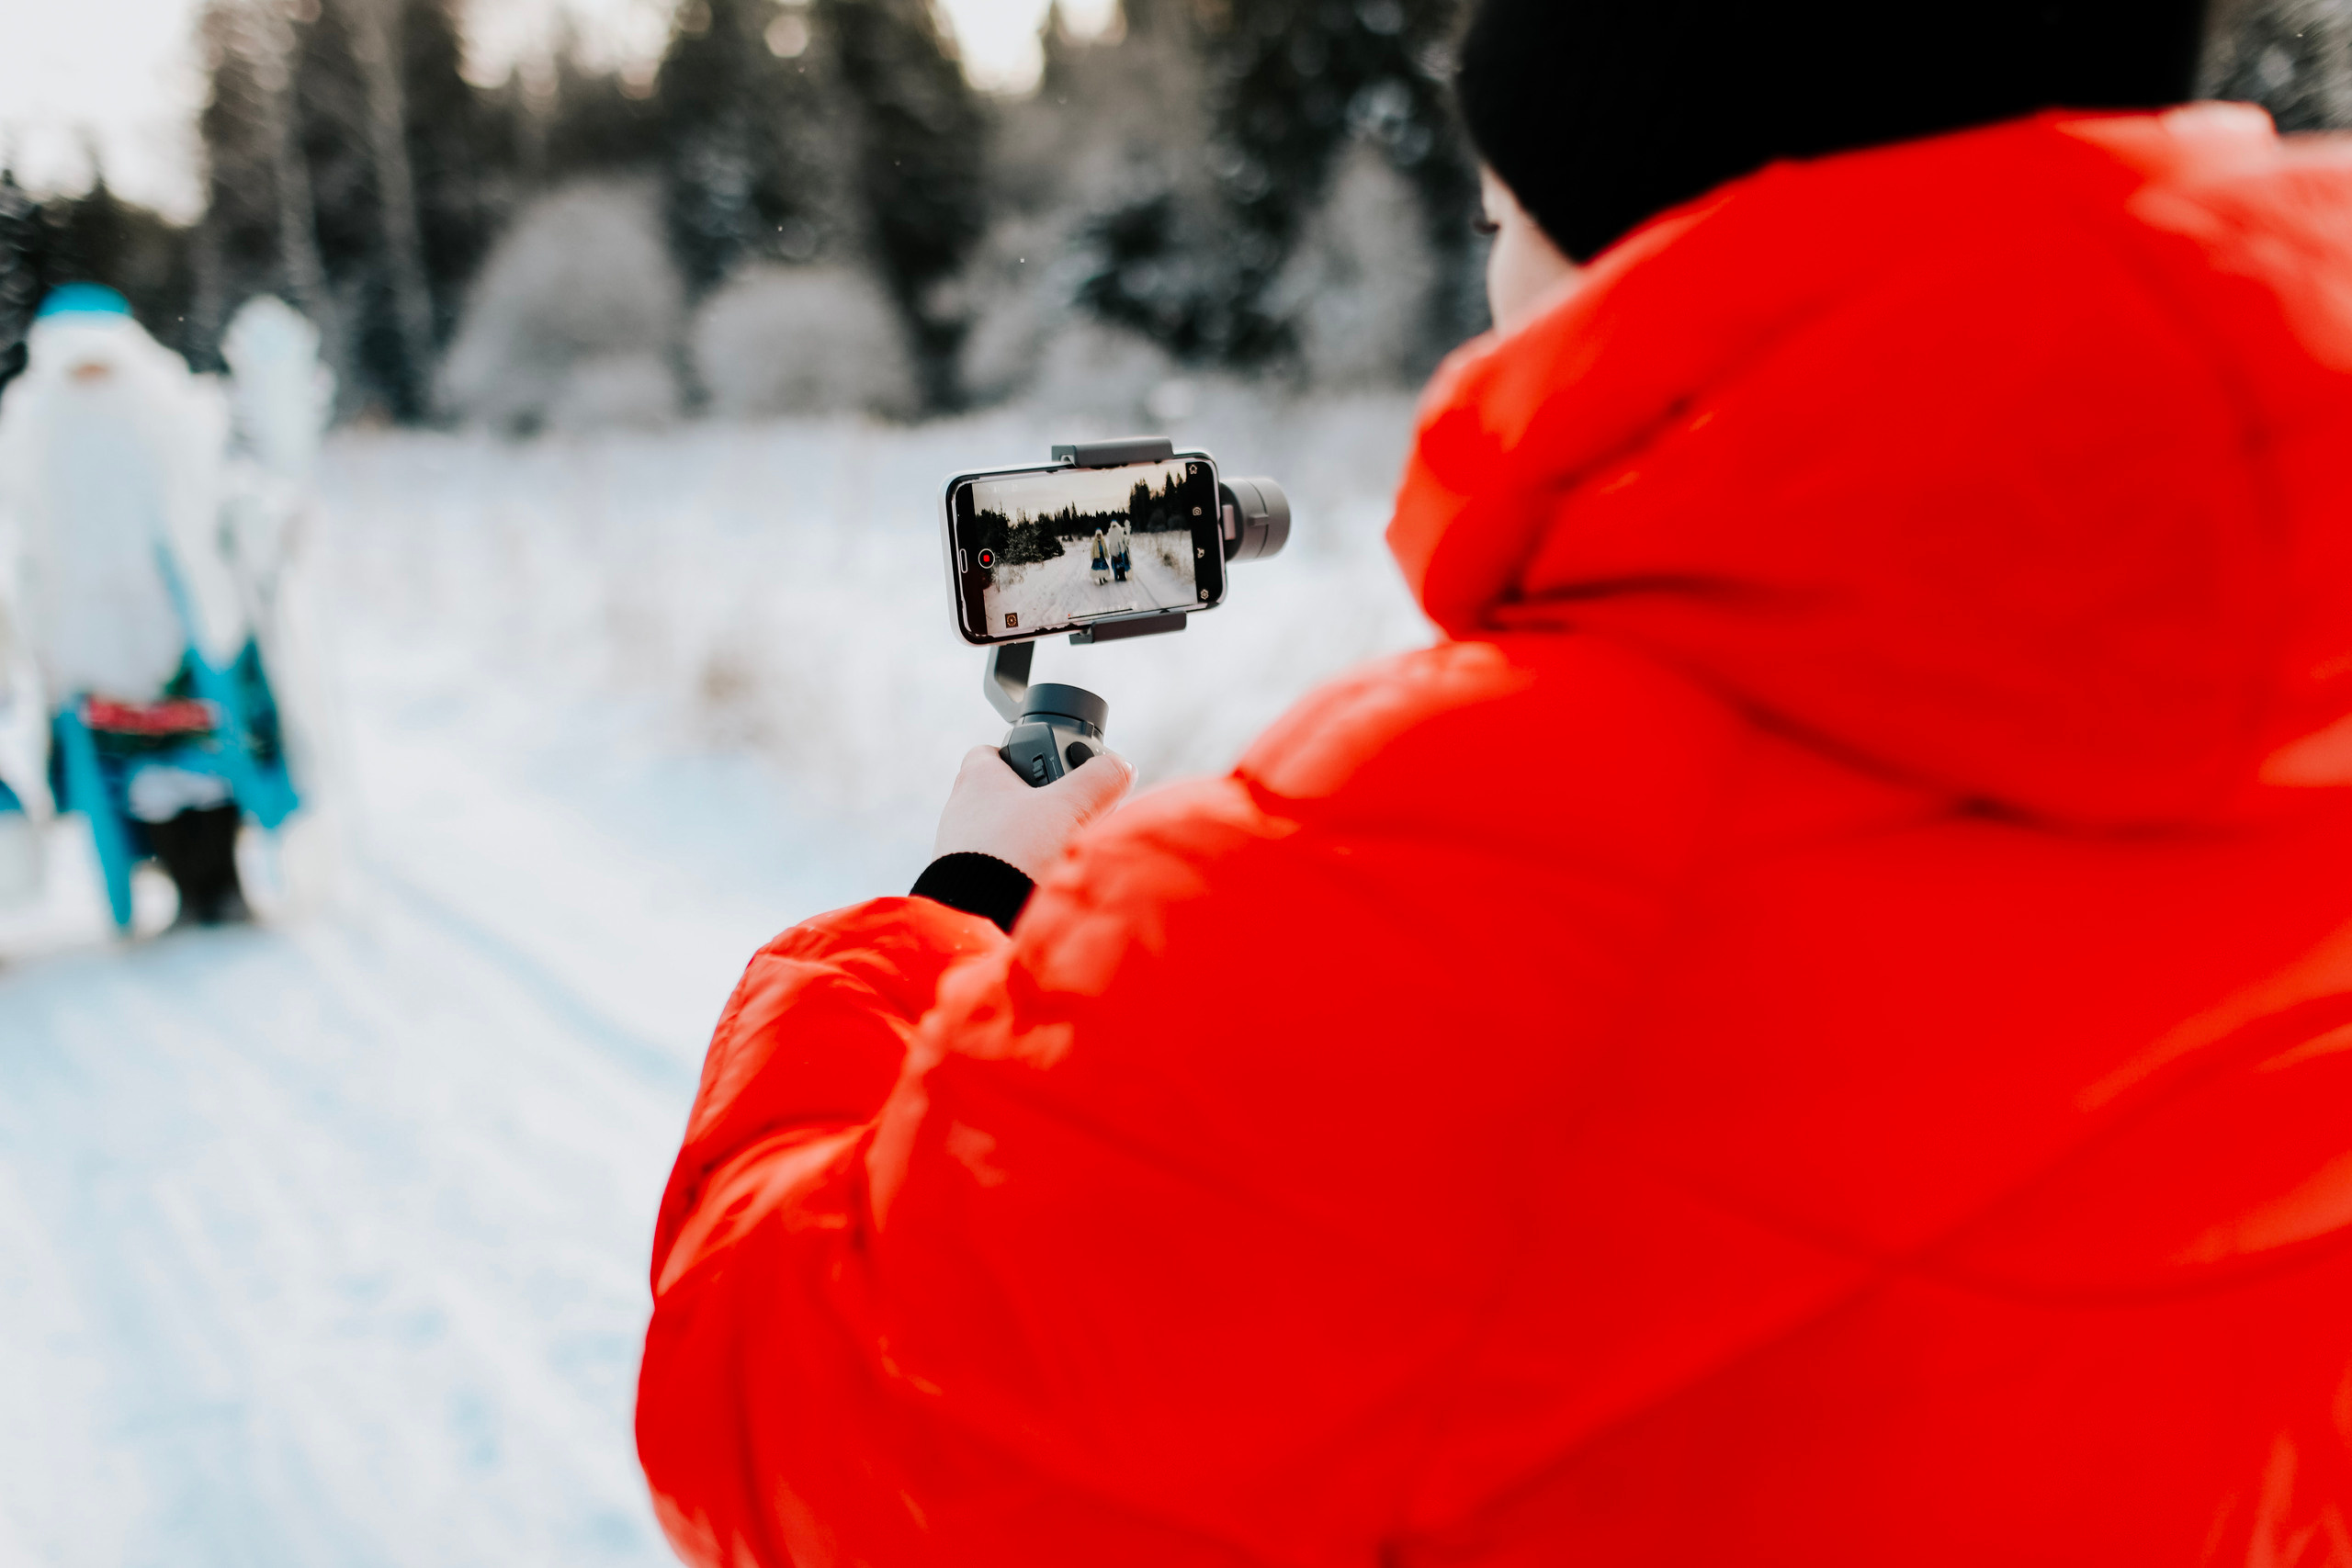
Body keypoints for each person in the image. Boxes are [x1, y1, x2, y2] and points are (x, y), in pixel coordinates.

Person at [637, 0, 2352, 1561]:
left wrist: (958, 905)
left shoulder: (1434, 881)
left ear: (1624, 232)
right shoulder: (2297, 751)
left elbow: (800, 1431)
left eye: (1491, 222)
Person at [0, 287, 312, 929]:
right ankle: (179, 881)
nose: (92, 380)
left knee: (216, 753)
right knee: (129, 774)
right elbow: (21, 540)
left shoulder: (173, 415)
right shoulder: (29, 432)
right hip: (87, 645)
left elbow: (224, 497)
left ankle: (222, 881)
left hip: (187, 628)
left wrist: (263, 525)